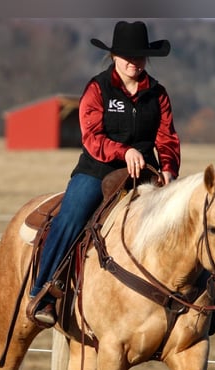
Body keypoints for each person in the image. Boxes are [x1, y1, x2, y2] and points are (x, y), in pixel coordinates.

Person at [28, 20, 181, 327]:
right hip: (97, 170)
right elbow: (92, 137)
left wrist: (168, 170)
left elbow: (167, 137)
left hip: (145, 174)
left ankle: (189, 299)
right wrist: (124, 151)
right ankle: (43, 293)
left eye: (139, 57)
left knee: (179, 222)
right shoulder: (98, 88)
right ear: (113, 56)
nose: (133, 63)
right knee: (71, 217)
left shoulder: (158, 94)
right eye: (126, 56)